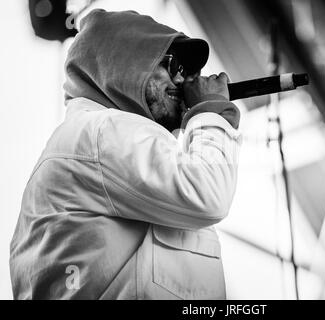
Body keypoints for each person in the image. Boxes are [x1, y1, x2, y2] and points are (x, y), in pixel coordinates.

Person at [10, 9, 241, 299]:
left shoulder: (114, 140)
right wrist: (211, 114)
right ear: (123, 64)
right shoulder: (97, 131)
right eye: (171, 65)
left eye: (185, 71)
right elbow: (207, 194)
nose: (182, 81)